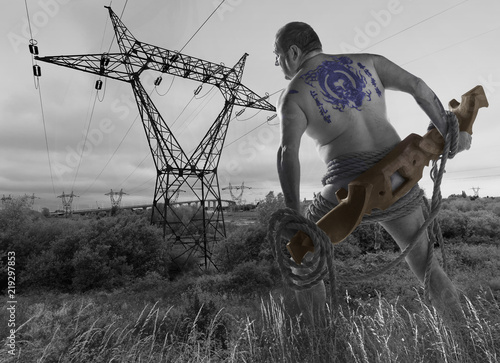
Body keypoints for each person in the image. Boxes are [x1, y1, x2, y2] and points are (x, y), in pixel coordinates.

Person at [274, 22, 470, 321]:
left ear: (294, 51)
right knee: (424, 263)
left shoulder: (293, 95)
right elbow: (418, 87)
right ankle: (465, 340)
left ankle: (320, 344)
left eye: (277, 55)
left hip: (347, 193)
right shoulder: (368, 62)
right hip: (399, 178)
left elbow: (288, 152)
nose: (276, 62)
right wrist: (447, 130)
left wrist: (293, 212)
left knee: (302, 256)